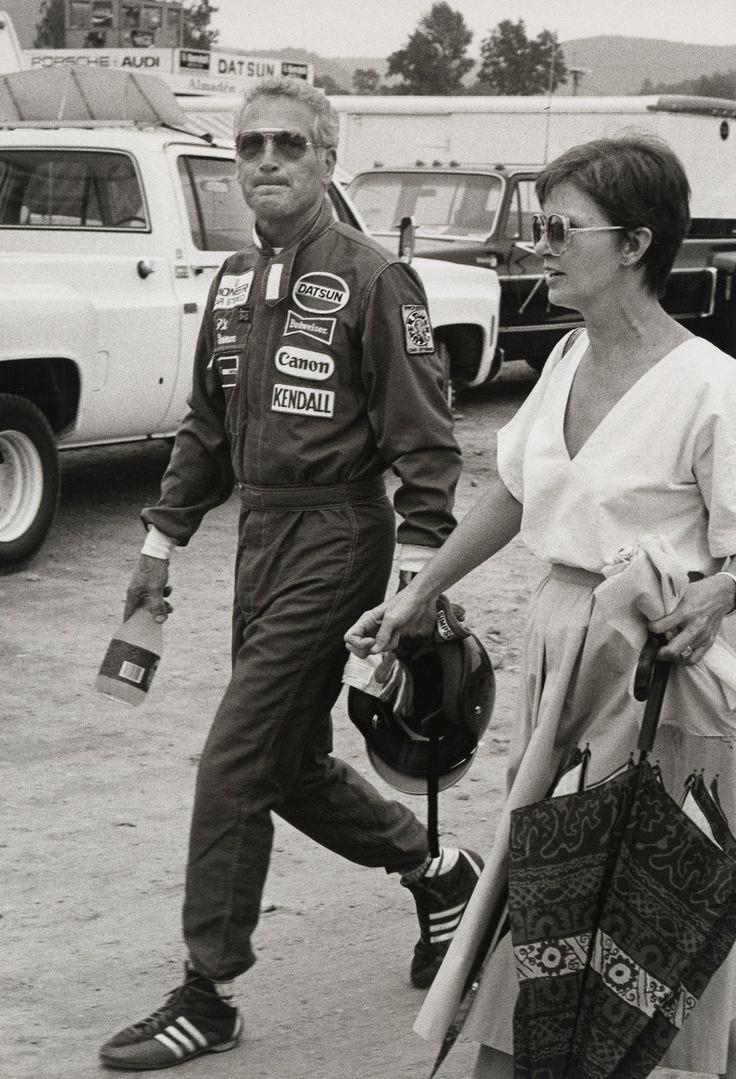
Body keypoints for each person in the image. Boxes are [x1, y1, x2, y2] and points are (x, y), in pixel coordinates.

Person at [98, 77, 485, 1072]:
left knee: (234, 755)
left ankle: (209, 990)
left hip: (338, 538)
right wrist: (157, 545)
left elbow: (427, 446)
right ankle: (443, 873)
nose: (266, 161)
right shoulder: (232, 282)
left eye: (288, 146)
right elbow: (204, 428)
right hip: (260, 541)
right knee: (285, 762)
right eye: (251, 145)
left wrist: (413, 585)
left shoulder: (372, 278)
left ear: (325, 161)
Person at [345, 134, 736, 1079]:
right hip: (561, 659)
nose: (539, 245)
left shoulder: (710, 385)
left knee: (626, 915)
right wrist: (417, 595)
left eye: (560, 228)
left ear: (635, 244)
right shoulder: (563, 357)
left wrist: (724, 586)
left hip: (659, 686)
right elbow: (517, 491)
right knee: (562, 899)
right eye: (538, 225)